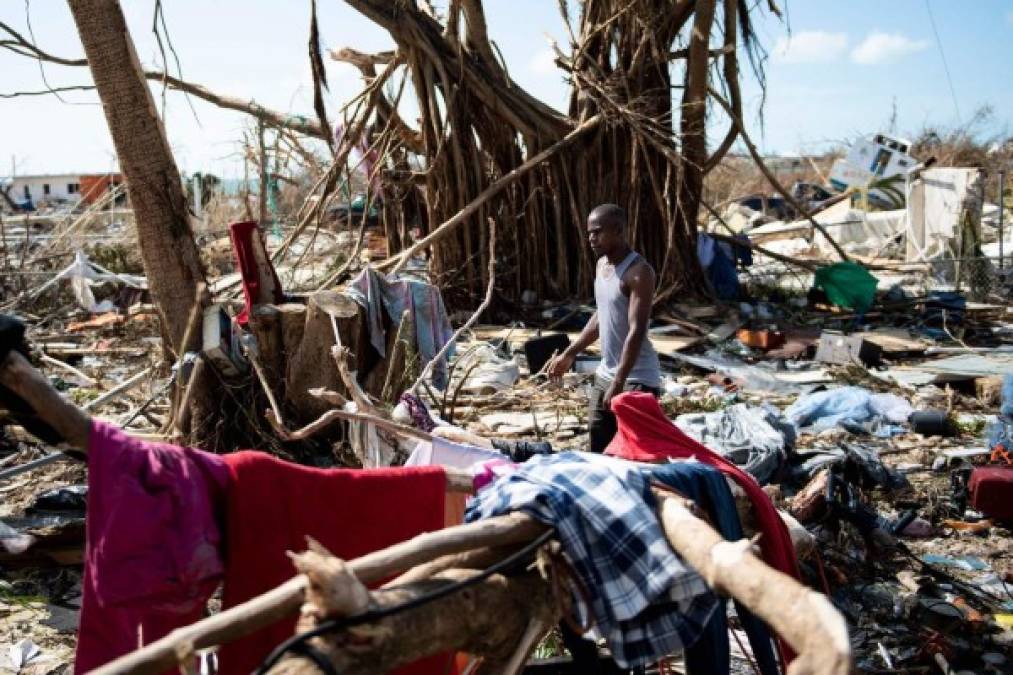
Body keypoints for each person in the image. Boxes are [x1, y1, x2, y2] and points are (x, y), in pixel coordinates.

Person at [547, 204, 661, 453]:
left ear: (618, 230)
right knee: (598, 450)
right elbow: (602, 316)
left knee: (636, 455)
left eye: (597, 232)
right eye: (589, 233)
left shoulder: (639, 273)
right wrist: (570, 352)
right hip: (606, 375)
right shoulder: (601, 266)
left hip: (637, 379)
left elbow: (636, 330)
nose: (591, 238)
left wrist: (619, 383)